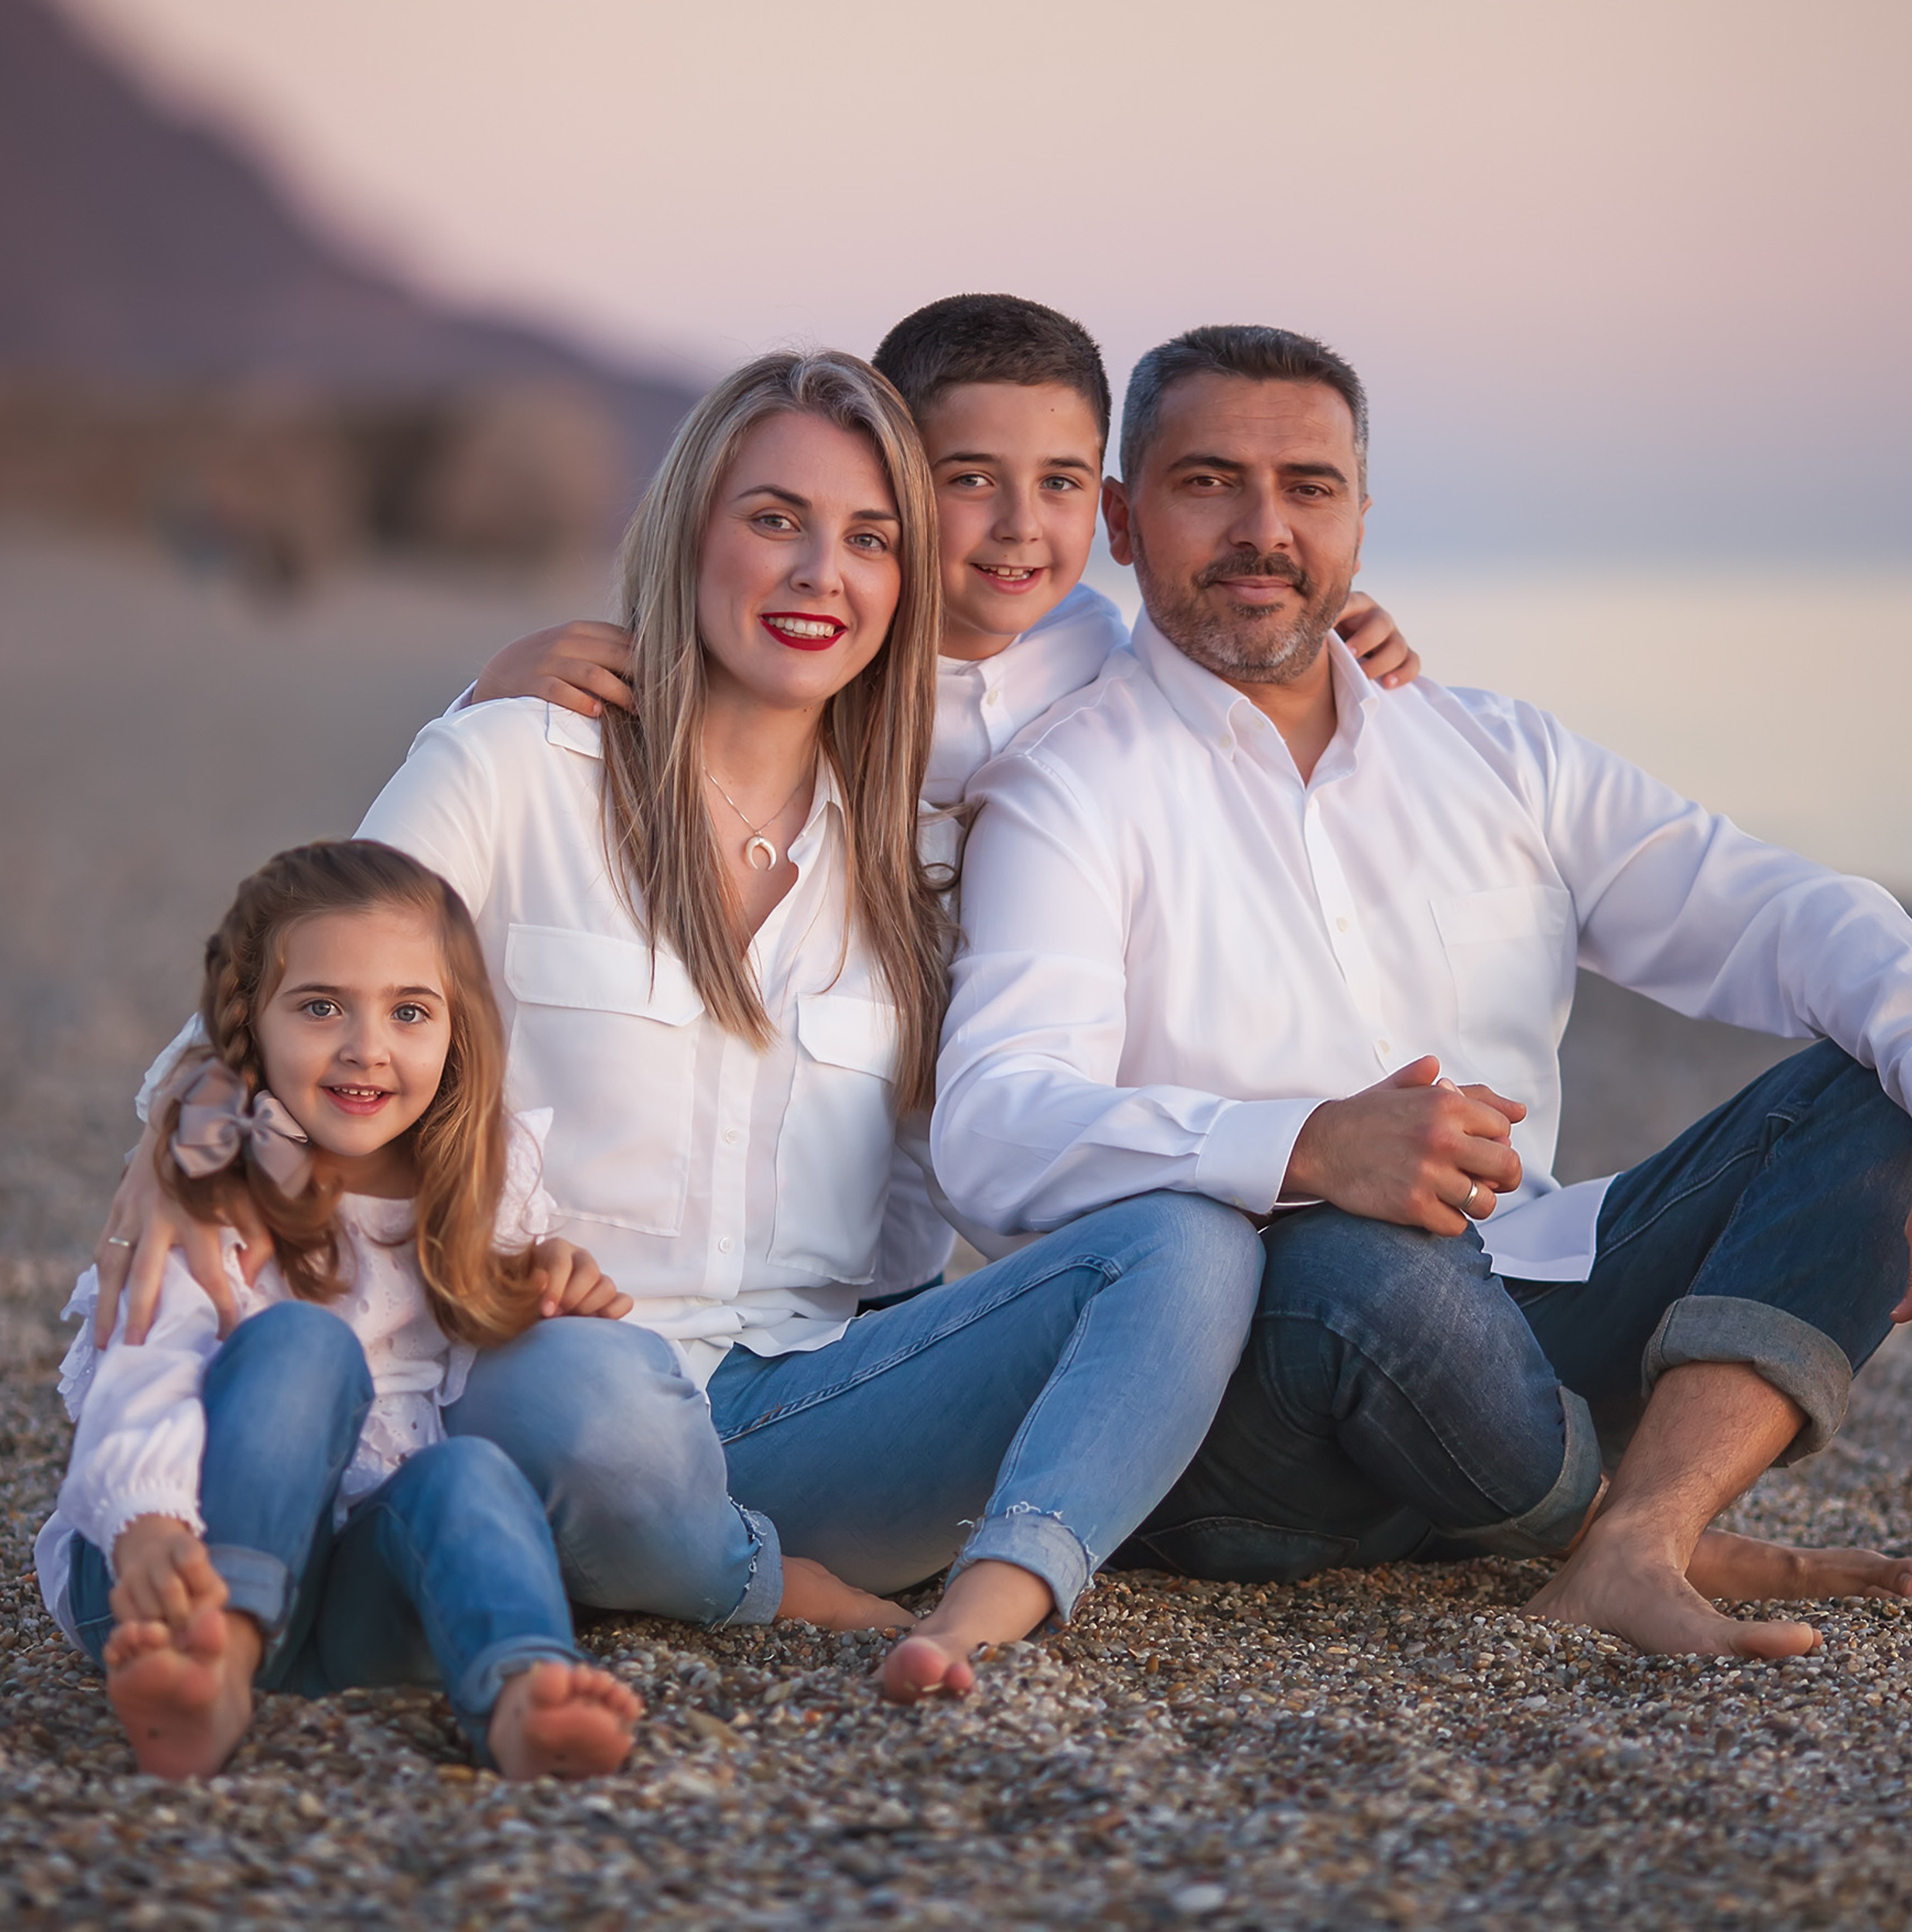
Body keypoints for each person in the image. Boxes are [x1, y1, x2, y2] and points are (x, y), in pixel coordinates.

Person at [97, 350, 1266, 1701]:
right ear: (689, 531)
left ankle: (975, 1617)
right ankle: (735, 1579)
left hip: (804, 1414)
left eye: (870, 538)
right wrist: (183, 1144)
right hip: (538, 1376)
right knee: (590, 1404)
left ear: (904, 584)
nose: (823, 571)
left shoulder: (915, 863)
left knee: (1187, 1238)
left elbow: (974, 1181)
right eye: (777, 519)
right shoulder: (513, 765)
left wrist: (1349, 668)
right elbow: (277, 1010)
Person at [933, 323, 1912, 1660]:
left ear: (1362, 517)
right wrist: (1309, 1145)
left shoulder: (1491, 750)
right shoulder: (1064, 790)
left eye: (1310, 489)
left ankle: (1639, 1535)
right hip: (1256, 1414)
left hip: (1536, 1328)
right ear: (1121, 516)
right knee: (1351, 1250)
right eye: (1209, 482)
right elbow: (995, 1121)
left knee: (1872, 1086)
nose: (1264, 528)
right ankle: (1594, 1524)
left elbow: (1778, 911)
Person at [460, 294, 1421, 1297]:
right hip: (753, 1198)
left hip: (958, 1222)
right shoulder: (809, 662)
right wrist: (488, 689)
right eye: (970, 480)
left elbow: (1245, 660)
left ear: (1105, 502)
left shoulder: (1113, 660)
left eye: (1059, 483)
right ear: (894, 485)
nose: (1019, 527)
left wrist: (1336, 628)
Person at [37, 841, 644, 1781]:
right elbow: (140, 1371)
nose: (367, 1045)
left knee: (468, 1471)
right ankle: (214, 1666)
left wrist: (540, 1286)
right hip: (163, 1574)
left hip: (342, 1603)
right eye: (322, 1006)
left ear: (458, 1030)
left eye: (410, 1011)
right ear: (249, 1018)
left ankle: (521, 1694)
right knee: (304, 1345)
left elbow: (478, 1374)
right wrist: (145, 1521)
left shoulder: (475, 1188)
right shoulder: (218, 1189)